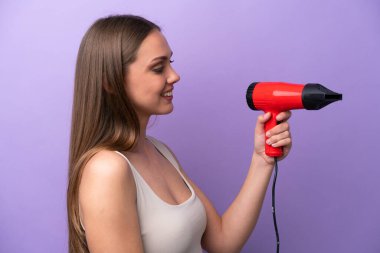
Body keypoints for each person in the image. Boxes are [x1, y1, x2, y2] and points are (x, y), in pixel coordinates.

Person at [67, 14, 292, 253]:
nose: (174, 76)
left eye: (170, 63)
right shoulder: (106, 170)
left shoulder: (159, 151)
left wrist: (262, 160)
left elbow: (223, 242)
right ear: (109, 82)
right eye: (158, 68)